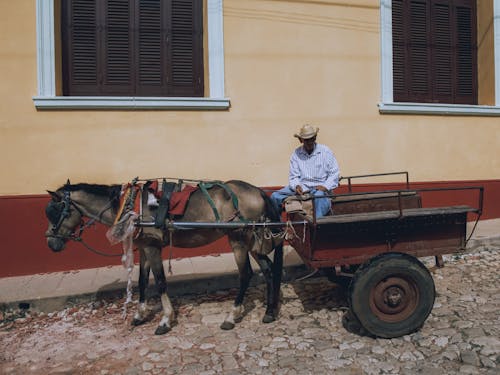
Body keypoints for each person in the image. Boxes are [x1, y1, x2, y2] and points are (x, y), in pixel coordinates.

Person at [271, 124, 340, 218]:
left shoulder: (326, 152)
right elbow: (294, 176)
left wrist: (325, 187)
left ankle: (317, 224)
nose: (309, 142)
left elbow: (334, 174)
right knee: (275, 196)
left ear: (315, 138)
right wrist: (297, 186)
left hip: (319, 188)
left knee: (318, 198)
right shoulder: (296, 154)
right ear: (301, 140)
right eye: (306, 140)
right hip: (302, 187)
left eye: (312, 139)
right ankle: (277, 227)